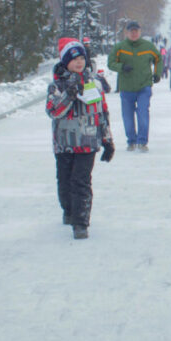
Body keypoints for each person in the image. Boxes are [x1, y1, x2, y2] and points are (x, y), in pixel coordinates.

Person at [46, 38, 115, 240]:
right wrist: (69, 93)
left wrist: (107, 140)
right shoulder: (56, 85)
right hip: (64, 145)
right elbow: (53, 111)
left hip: (87, 142)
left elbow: (102, 113)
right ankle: (69, 210)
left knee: (81, 182)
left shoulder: (94, 83)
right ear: (65, 61)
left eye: (81, 58)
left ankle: (81, 222)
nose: (78, 62)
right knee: (65, 182)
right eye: (73, 59)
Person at [107, 21, 162, 153]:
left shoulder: (148, 46)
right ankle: (131, 140)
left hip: (144, 86)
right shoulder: (120, 47)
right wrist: (121, 67)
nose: (133, 33)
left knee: (143, 113)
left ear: (140, 32)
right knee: (127, 117)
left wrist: (157, 73)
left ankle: (142, 141)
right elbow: (110, 63)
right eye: (131, 31)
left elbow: (158, 59)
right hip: (126, 87)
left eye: (136, 31)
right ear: (126, 32)